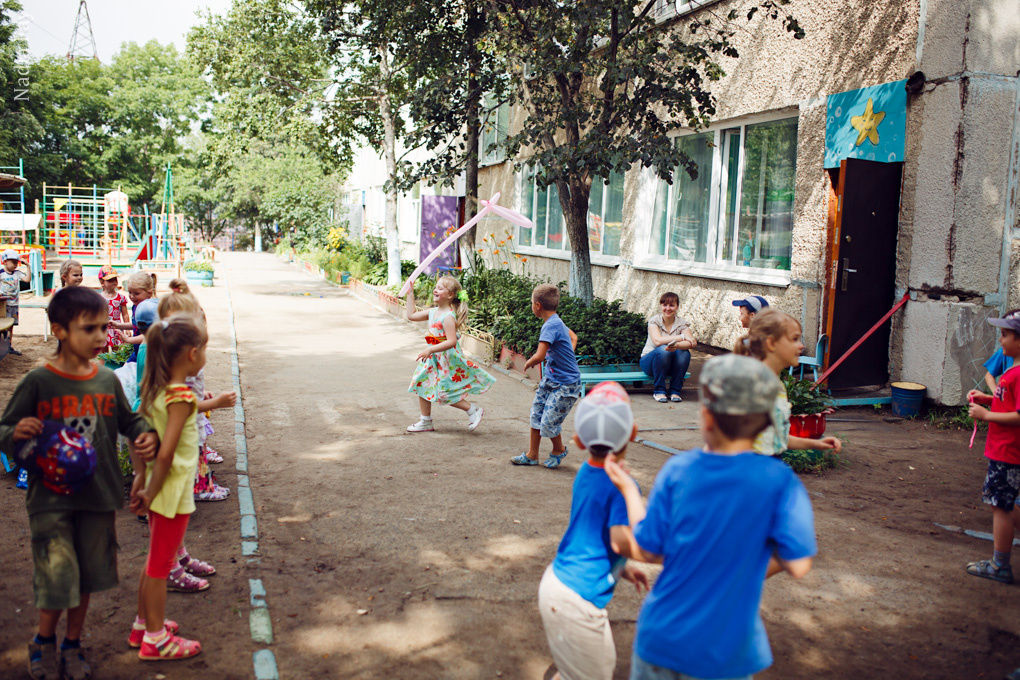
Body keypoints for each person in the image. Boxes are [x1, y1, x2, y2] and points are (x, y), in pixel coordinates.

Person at [604, 354, 816, 680]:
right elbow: (799, 564)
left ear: (705, 418)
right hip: (728, 651)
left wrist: (629, 492)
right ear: (766, 423)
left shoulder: (678, 470)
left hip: (662, 640)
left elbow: (647, 550)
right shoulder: (781, 481)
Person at [0, 286, 158, 680]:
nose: (102, 337)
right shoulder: (39, 381)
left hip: (98, 497)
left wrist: (145, 434)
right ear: (59, 330)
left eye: (105, 327)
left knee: (88, 573)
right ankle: (43, 640)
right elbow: (5, 428)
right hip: (50, 499)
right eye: (90, 328)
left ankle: (72, 643)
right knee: (58, 573)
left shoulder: (106, 380)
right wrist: (16, 431)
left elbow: (130, 420)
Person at [538, 381, 651, 680]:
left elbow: (595, 530)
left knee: (590, 669)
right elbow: (620, 540)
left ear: (577, 441)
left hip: (561, 582)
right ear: (634, 433)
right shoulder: (622, 486)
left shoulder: (587, 471)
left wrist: (622, 569)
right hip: (577, 600)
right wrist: (653, 554)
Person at [129, 313, 209, 661]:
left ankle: (142, 625)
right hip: (171, 490)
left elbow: (139, 442)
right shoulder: (180, 397)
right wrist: (149, 489)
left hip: (160, 487)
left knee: (153, 562)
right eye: (204, 349)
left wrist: (140, 479)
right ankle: (155, 639)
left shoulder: (158, 391)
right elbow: (165, 453)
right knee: (160, 566)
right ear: (192, 354)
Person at [735, 308, 842, 457]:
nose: (801, 346)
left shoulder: (777, 386)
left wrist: (816, 444)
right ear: (771, 343)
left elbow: (776, 438)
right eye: (794, 339)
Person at [965, 310, 1020, 584]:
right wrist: (987, 399)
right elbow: (1007, 404)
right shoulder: (1011, 372)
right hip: (1005, 451)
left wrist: (986, 415)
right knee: (1006, 504)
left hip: (1007, 452)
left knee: (1000, 507)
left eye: (1005, 335)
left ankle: (1000, 566)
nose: (1000, 341)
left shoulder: (1018, 374)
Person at [405, 276, 493, 432]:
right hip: (433, 358)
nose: (435, 290)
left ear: (450, 295)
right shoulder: (433, 312)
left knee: (445, 392)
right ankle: (425, 421)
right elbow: (411, 315)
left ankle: (473, 410)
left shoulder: (448, 317)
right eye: (436, 287)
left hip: (446, 359)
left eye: (440, 288)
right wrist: (410, 294)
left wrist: (431, 349)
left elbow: (452, 341)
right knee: (422, 383)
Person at [511, 283, 581, 468]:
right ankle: (532, 455)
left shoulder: (550, 326)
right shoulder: (556, 321)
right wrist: (566, 356)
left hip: (566, 385)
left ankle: (559, 449)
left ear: (538, 305)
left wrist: (528, 362)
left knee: (549, 421)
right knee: (537, 414)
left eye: (531, 303)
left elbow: (540, 355)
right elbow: (573, 338)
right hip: (551, 380)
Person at [639, 292, 695, 403]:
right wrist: (682, 337)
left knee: (684, 352)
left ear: (677, 307)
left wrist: (677, 345)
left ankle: (675, 391)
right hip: (649, 363)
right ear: (661, 306)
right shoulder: (654, 321)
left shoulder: (682, 323)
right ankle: (659, 391)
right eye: (665, 305)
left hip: (670, 365)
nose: (668, 308)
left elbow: (691, 343)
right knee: (663, 350)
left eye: (672, 305)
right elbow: (658, 341)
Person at [115, 271, 158, 363]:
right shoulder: (136, 306)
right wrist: (118, 325)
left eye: (136, 293)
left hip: (149, 353)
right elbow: (136, 324)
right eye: (130, 292)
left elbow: (149, 335)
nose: (132, 296)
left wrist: (128, 339)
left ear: (149, 293)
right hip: (138, 350)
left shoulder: (149, 310)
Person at [1, 249, 32, 355]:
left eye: (17, 262)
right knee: (2, 326)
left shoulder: (17, 273)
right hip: (3, 305)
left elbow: (27, 279)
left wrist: (28, 266)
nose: (16, 264)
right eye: (13, 262)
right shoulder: (1, 273)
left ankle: (9, 347)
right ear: (5, 262)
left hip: (14, 304)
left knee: (11, 326)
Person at [98, 264, 129, 350]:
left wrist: (126, 328)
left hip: (117, 327)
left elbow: (125, 314)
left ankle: (115, 363)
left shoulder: (121, 298)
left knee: (117, 350)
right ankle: (102, 364)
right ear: (102, 283)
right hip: (103, 328)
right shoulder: (98, 298)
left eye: (115, 279)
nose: (114, 282)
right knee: (103, 351)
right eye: (110, 280)